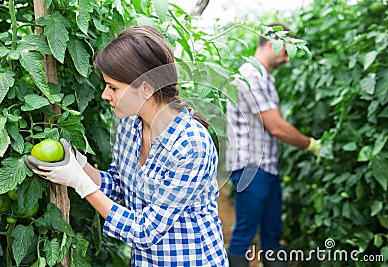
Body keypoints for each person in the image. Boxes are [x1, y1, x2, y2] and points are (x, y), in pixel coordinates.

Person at [25, 26, 228, 266]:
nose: (104, 95)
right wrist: (79, 164)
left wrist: (79, 183)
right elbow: (119, 187)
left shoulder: (190, 144)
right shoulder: (131, 125)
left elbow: (146, 232)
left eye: (113, 87)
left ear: (145, 89)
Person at [225, 22, 321, 267]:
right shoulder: (251, 75)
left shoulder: (264, 77)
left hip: (266, 168)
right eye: (286, 51)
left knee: (271, 233)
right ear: (271, 44)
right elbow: (275, 125)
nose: (287, 60)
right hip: (251, 168)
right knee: (245, 233)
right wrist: (310, 144)